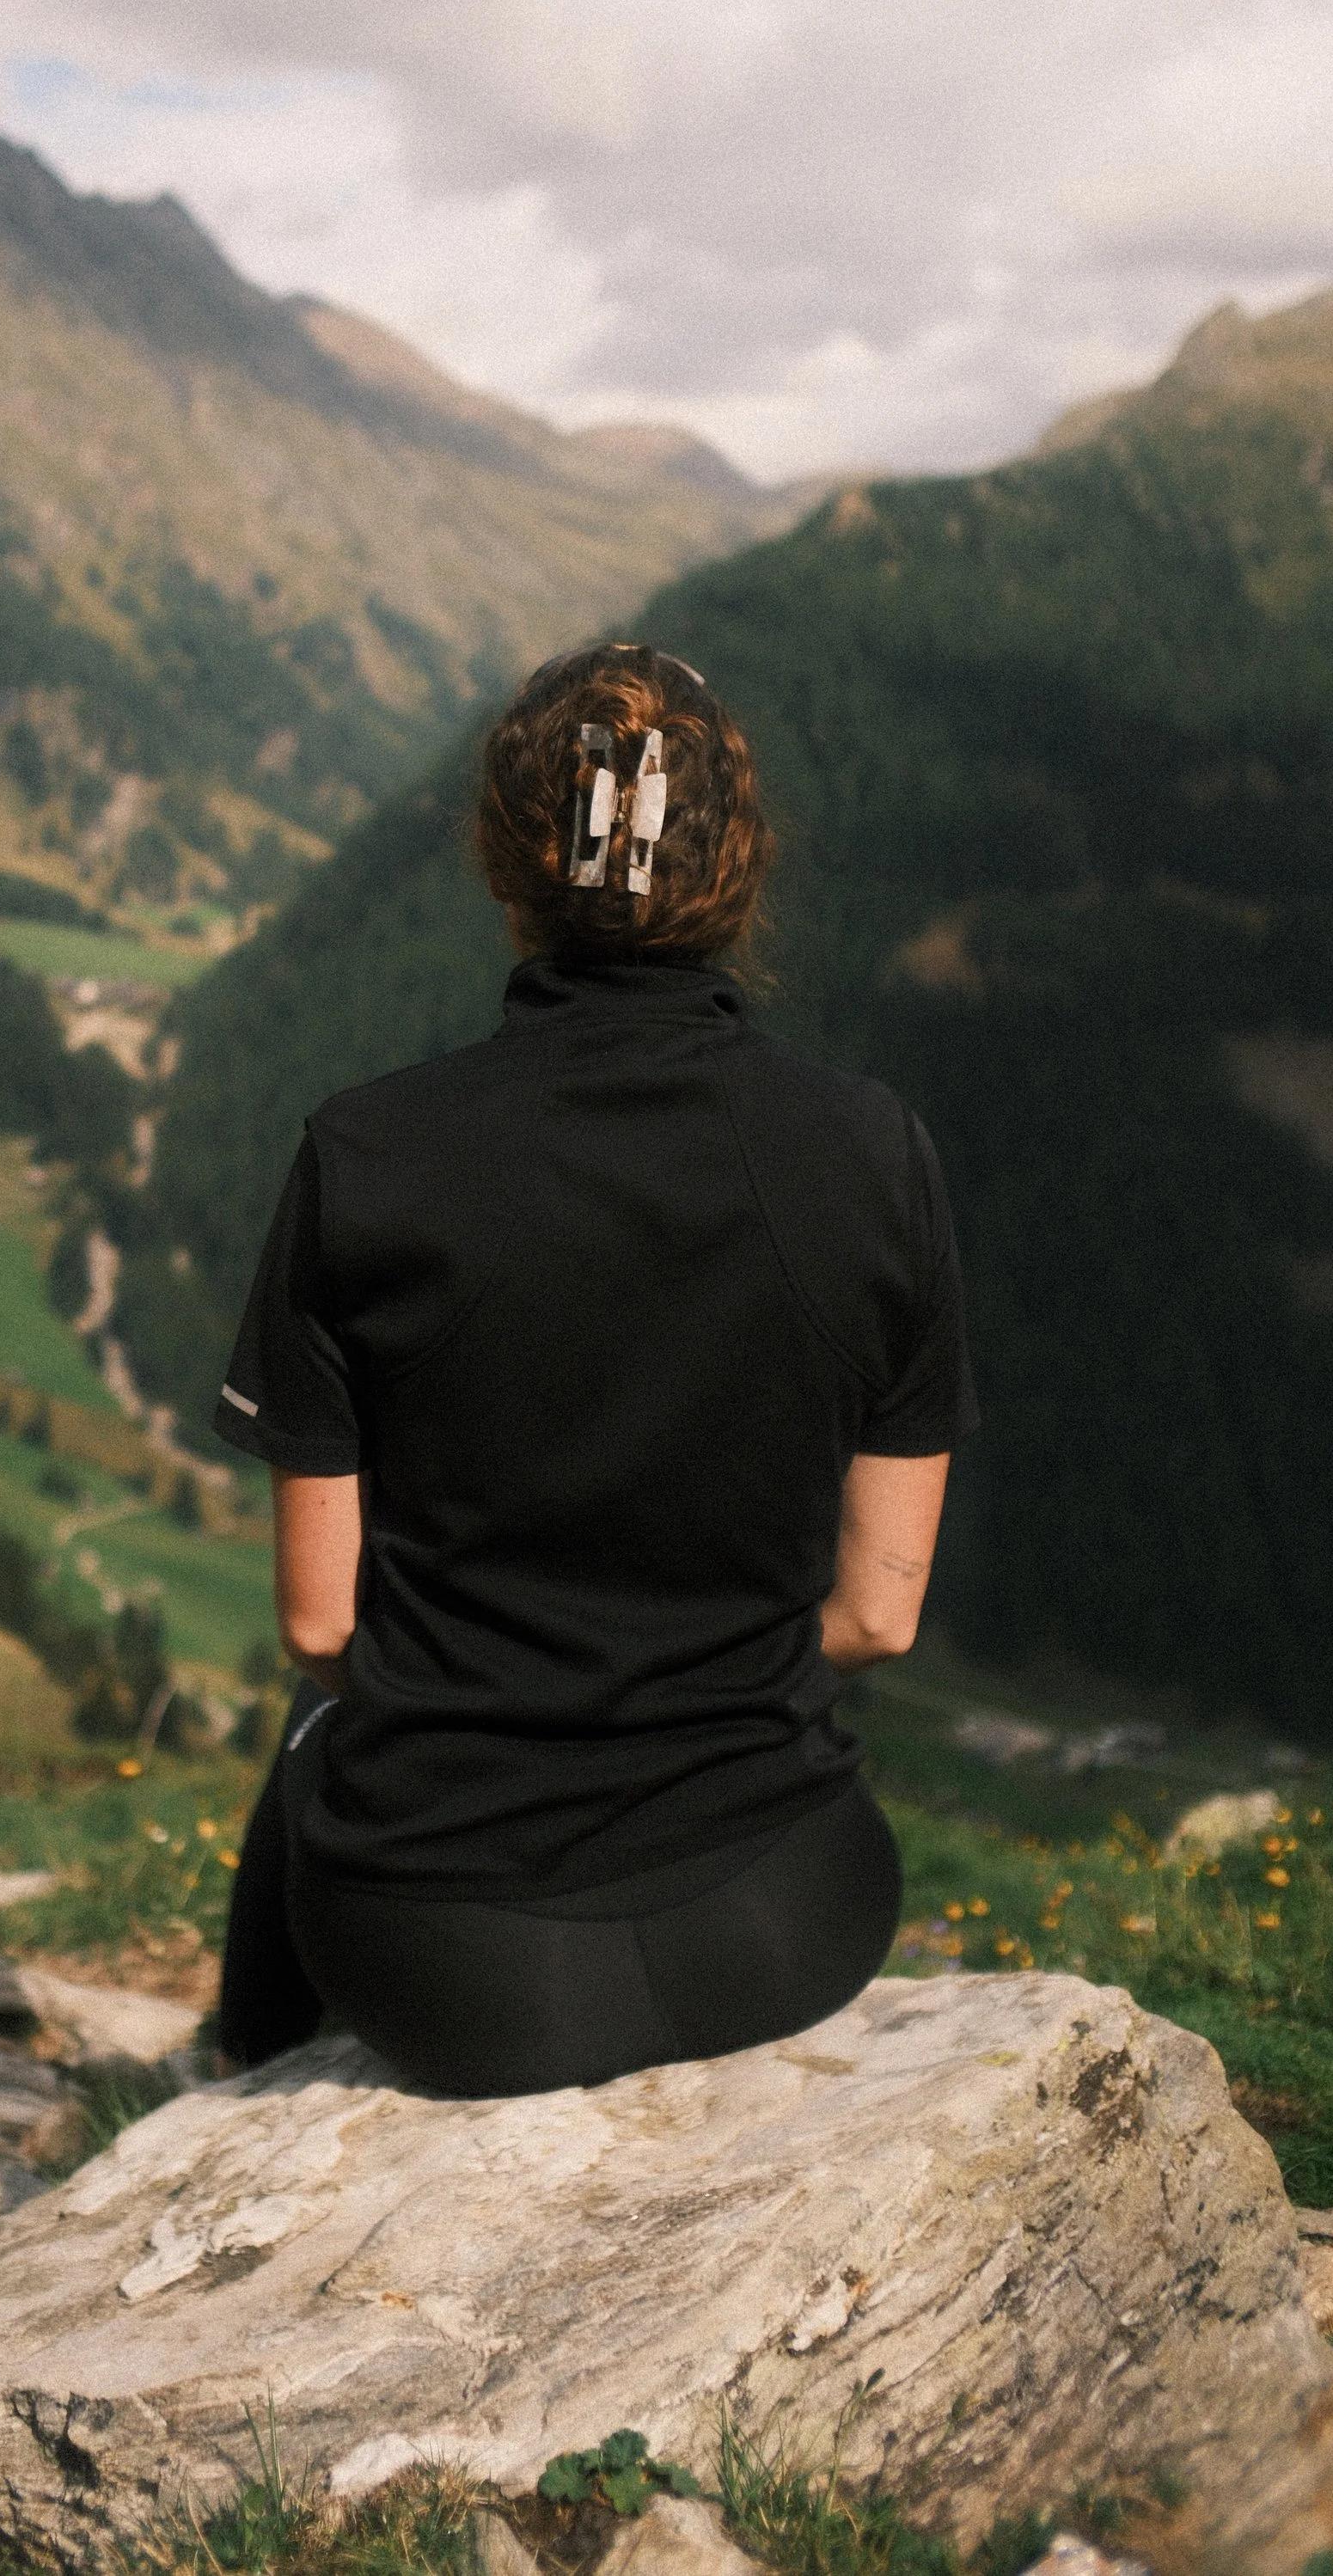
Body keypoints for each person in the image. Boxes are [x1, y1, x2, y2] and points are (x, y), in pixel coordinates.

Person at [211, 641, 977, 2097]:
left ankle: (238, 2067)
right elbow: (878, 1616)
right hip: (789, 1917)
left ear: (506, 864)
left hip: (453, 1968)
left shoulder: (367, 1153)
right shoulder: (876, 1152)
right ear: (740, 863)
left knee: (317, 1723)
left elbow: (324, 1620)